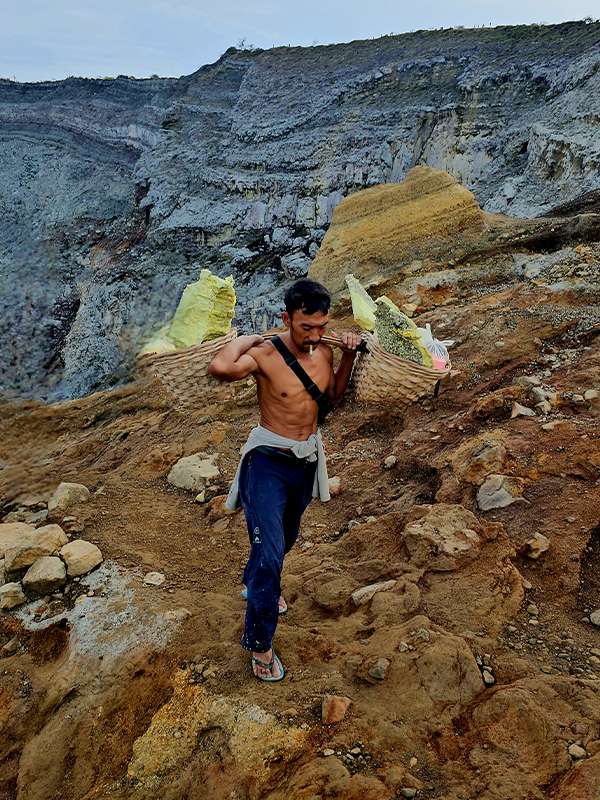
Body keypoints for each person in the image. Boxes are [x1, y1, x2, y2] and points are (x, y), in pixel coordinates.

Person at [208, 278, 361, 682]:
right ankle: (259, 644)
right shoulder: (265, 353)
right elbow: (220, 368)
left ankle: (257, 581)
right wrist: (247, 339)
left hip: (305, 462)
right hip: (267, 464)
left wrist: (347, 356)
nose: (314, 335)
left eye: (320, 327)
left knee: (285, 539)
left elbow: (333, 398)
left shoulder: (325, 352)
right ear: (287, 318)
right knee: (271, 555)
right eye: (305, 327)